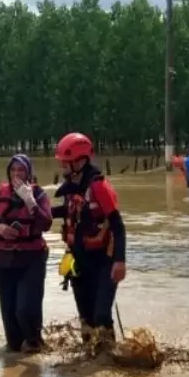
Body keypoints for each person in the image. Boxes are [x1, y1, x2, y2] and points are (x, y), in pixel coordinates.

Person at [52, 132, 127, 354]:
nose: (63, 167)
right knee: (85, 318)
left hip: (104, 261)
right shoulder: (71, 188)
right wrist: (36, 209)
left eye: (66, 162)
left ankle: (110, 359)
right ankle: (89, 358)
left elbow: (118, 225)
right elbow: (66, 211)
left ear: (81, 161)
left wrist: (120, 261)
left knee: (101, 315)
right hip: (79, 262)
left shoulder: (98, 187)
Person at [0, 154, 52, 353]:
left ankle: (35, 343)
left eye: (21, 170)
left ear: (28, 173)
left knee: (25, 308)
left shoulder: (39, 194)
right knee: (9, 316)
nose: (16, 174)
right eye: (13, 170)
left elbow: (46, 224)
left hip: (31, 258)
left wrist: (30, 201)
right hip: (3, 260)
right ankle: (15, 353)